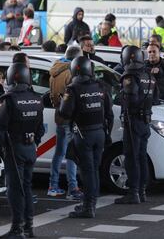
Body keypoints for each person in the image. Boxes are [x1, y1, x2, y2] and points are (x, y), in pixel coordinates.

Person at [0, 62, 45, 238]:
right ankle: (29, 227)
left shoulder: (8, 99)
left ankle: (17, 229)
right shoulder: (37, 98)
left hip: (14, 149)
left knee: (15, 189)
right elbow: (40, 128)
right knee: (27, 188)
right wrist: (34, 142)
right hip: (30, 148)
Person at [59, 56, 113, 217]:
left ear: (75, 69)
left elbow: (64, 113)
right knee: (94, 170)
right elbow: (109, 114)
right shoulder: (101, 86)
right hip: (100, 133)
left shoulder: (73, 89)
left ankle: (88, 207)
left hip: (83, 134)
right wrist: (107, 133)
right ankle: (91, 203)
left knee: (86, 171)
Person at [114, 45, 159, 205]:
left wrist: (122, 97)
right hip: (145, 121)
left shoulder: (130, 76)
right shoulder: (149, 75)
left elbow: (130, 99)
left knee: (132, 157)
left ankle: (133, 192)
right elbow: (155, 99)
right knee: (141, 156)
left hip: (133, 120)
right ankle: (142, 191)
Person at [48, 46, 84, 200]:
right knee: (71, 154)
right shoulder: (71, 72)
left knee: (59, 152)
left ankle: (53, 186)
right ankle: (73, 188)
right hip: (70, 117)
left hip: (59, 114)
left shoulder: (54, 71)